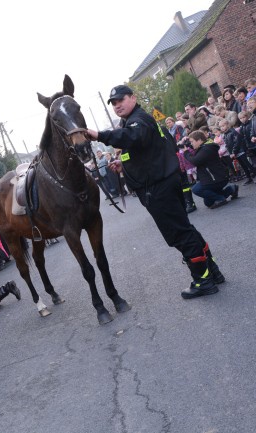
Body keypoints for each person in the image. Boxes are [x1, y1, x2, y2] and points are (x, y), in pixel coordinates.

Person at [86, 84, 224, 300]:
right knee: (185, 229)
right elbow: (151, 149)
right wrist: (125, 165)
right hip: (161, 183)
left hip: (159, 187)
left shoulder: (138, 120)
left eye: (121, 100)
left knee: (180, 234)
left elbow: (132, 138)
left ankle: (203, 280)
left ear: (133, 97)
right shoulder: (135, 121)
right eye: (113, 103)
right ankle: (212, 271)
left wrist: (99, 135)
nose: (117, 105)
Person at [183, 131, 239, 209]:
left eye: (192, 141)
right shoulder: (203, 147)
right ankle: (231, 189)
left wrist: (186, 153)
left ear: (199, 140)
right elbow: (196, 154)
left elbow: (195, 161)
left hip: (216, 178)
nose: (191, 143)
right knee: (208, 203)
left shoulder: (207, 149)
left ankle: (221, 199)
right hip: (212, 178)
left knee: (196, 189)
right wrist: (187, 144)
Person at [220, 119, 256, 185]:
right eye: (221, 127)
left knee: (247, 164)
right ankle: (248, 177)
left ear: (227, 125)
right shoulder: (225, 134)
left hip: (240, 151)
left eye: (223, 126)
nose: (222, 128)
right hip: (234, 153)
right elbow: (227, 145)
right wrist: (231, 153)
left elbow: (237, 142)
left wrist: (234, 152)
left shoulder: (233, 132)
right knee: (243, 165)